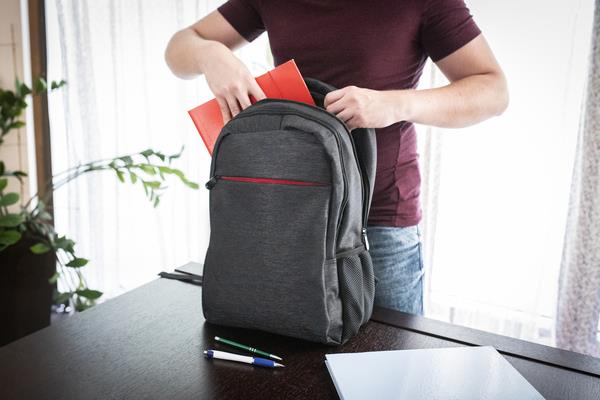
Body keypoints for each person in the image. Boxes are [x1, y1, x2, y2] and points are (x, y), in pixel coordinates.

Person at [165, 0, 508, 316]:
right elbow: (179, 46)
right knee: (293, 352)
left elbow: (493, 91)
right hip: (294, 210)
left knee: (391, 355)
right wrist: (210, 54)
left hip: (379, 223)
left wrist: (394, 104)